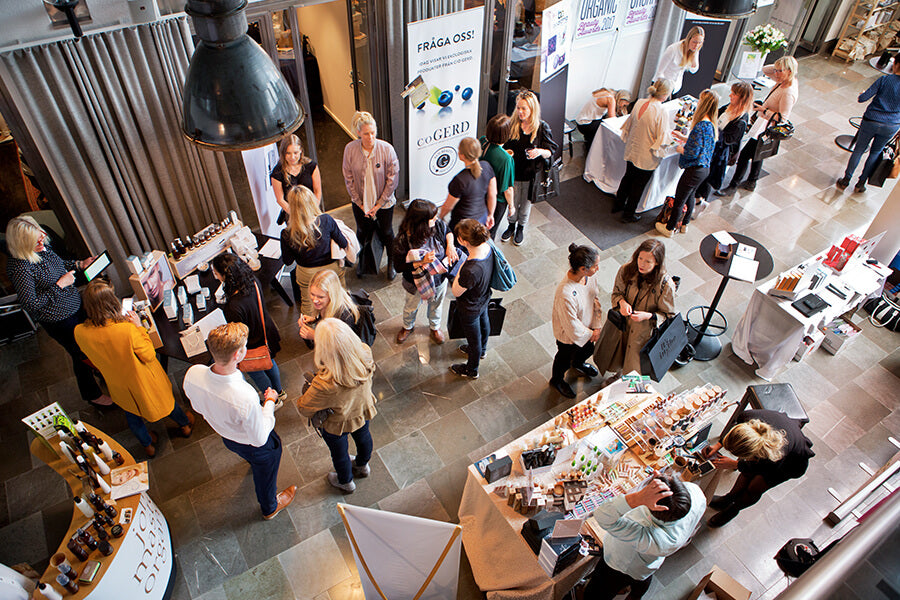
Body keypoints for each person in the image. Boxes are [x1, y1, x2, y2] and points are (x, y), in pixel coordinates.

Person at [183, 323, 297, 520]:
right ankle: (270, 506)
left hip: (228, 437)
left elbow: (198, 408)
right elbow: (260, 438)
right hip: (254, 444)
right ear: (237, 355)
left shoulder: (193, 373)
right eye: (244, 347)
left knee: (251, 458)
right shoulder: (244, 396)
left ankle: (253, 465)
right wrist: (269, 402)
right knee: (267, 466)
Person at [74, 280, 194, 457]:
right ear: (111, 302)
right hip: (142, 380)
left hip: (117, 384)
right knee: (167, 403)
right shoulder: (127, 330)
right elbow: (148, 355)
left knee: (132, 414)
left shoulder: (79, 331)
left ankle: (147, 445)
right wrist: (138, 327)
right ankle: (184, 425)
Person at [5, 215, 112, 409]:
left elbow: (60, 265)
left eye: (40, 236)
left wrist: (80, 264)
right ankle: (92, 395)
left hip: (75, 304)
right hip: (59, 319)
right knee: (80, 354)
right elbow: (30, 304)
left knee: (92, 344)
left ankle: (100, 371)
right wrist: (60, 286)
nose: (41, 242)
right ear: (22, 244)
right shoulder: (21, 267)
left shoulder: (42, 246)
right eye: (35, 241)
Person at [582, 474, 706, 599]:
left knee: (597, 593)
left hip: (622, 565)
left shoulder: (653, 536)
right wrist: (665, 481)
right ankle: (634, 594)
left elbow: (602, 516)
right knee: (641, 579)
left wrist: (637, 498)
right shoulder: (695, 492)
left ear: (652, 507)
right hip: (647, 564)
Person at [296, 318, 377, 494]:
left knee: (340, 453)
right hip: (362, 410)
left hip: (336, 425)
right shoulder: (365, 352)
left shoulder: (324, 382)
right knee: (364, 439)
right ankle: (363, 465)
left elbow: (304, 408)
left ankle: (345, 482)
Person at [703, 409, 814, 527]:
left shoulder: (774, 457)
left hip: (790, 462)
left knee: (755, 486)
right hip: (780, 438)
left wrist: (735, 464)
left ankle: (733, 510)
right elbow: (735, 431)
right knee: (746, 474)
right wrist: (718, 445)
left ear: (752, 454)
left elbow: (757, 468)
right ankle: (728, 499)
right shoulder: (747, 416)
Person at [211, 253, 285, 407]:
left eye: (216, 272)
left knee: (257, 373)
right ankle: (279, 391)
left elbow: (238, 333)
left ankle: (273, 401)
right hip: (266, 332)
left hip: (251, 343)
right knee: (269, 362)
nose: (215, 275)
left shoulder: (233, 306)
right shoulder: (253, 281)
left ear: (225, 275)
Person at [594, 240, 675, 378]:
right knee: (616, 354)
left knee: (634, 367)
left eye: (648, 261)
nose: (642, 264)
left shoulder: (666, 285)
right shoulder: (626, 270)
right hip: (621, 326)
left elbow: (668, 315)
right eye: (640, 258)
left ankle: (624, 384)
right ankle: (618, 376)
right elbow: (616, 293)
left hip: (642, 333)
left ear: (657, 262)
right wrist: (622, 303)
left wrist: (648, 316)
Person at [723, 56, 799, 193]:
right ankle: (752, 180)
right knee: (758, 154)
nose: (775, 74)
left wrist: (763, 110)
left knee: (745, 155)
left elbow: (782, 118)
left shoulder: (788, 92)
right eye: (775, 71)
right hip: (762, 124)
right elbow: (765, 70)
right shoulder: (783, 80)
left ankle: (733, 185)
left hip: (766, 127)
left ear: (789, 71)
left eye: (779, 71)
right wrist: (778, 66)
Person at [341, 110, 400, 280]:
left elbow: (392, 180)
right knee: (362, 231)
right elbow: (348, 178)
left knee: (387, 232)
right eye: (366, 134)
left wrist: (378, 205)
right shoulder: (350, 150)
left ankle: (391, 262)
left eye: (373, 133)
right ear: (358, 132)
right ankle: (363, 261)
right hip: (360, 203)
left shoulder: (387, 149)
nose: (370, 137)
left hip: (384, 203)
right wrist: (359, 203)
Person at [391, 199, 458, 344]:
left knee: (437, 304)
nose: (436, 219)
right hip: (415, 283)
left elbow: (448, 232)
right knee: (411, 306)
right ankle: (407, 326)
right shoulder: (402, 239)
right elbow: (399, 266)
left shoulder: (437, 225)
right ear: (421, 222)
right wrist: (421, 262)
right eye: (432, 218)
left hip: (439, 278)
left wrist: (450, 246)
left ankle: (434, 327)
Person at [655, 88, 718, 237]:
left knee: (680, 199)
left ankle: (669, 229)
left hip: (694, 169)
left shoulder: (700, 126)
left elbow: (693, 152)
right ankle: (685, 224)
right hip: (704, 170)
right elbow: (701, 146)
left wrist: (679, 148)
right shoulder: (711, 125)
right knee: (690, 195)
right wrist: (684, 139)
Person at [279, 185, 349, 317]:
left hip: (306, 273)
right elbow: (343, 243)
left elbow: (288, 262)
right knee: (341, 297)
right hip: (331, 270)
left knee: (308, 306)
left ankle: (311, 332)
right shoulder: (326, 220)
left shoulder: (286, 233)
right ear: (311, 201)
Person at [501, 90, 559, 246]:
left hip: (530, 175)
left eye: (524, 108)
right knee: (512, 202)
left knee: (525, 205)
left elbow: (551, 151)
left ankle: (520, 227)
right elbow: (504, 145)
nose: (520, 112)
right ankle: (511, 226)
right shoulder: (512, 124)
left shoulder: (541, 127)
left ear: (532, 109)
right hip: (513, 173)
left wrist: (539, 151)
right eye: (518, 108)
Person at [614, 79, 674, 223]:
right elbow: (663, 137)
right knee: (638, 185)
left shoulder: (640, 102)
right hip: (646, 154)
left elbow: (630, 124)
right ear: (665, 94)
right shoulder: (661, 111)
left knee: (627, 177)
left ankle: (618, 204)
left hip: (633, 148)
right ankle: (628, 214)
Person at [837, 57, 900, 193]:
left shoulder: (884, 80)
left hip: (871, 120)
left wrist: (863, 94)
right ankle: (861, 183)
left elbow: (862, 99)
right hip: (891, 125)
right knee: (876, 152)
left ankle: (846, 180)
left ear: (896, 64)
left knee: (859, 149)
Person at [549, 244, 603, 399]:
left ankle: (578, 364)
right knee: (563, 359)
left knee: (587, 351)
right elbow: (571, 325)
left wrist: (597, 326)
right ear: (582, 269)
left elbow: (595, 300)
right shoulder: (565, 293)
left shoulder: (589, 277)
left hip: (588, 328)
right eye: (595, 266)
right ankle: (557, 380)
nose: (597, 269)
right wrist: (591, 334)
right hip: (569, 336)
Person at [694, 81, 754, 204]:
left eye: (734, 94)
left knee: (706, 180)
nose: (730, 95)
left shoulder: (741, 120)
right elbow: (717, 114)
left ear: (742, 98)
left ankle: (700, 203)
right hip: (712, 147)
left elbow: (727, 140)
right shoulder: (730, 107)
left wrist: (711, 129)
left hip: (717, 155)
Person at [450, 219, 494, 379]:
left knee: (473, 340)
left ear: (464, 241)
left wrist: (461, 267)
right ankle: (482, 350)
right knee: (485, 324)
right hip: (484, 297)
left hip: (470, 308)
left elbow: (456, 291)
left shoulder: (470, 269)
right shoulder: (488, 247)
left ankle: (471, 369)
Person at [438, 137, 497, 234]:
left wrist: (440, 217)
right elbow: (492, 194)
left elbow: (448, 206)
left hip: (463, 225)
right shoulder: (486, 166)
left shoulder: (459, 180)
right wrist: (490, 214)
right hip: (482, 218)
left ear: (462, 155)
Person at [298, 269, 366, 345]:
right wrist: (314, 319)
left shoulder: (345, 316)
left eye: (320, 297)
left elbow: (343, 345)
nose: (315, 300)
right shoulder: (330, 304)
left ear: (332, 296)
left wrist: (315, 336)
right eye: (312, 294)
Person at [270, 133, 322, 221]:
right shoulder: (277, 172)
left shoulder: (311, 166)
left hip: (312, 211)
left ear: (301, 150)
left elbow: (317, 191)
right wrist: (297, 216)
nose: (292, 157)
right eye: (288, 153)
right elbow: (280, 199)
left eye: (295, 153)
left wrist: (313, 211)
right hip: (291, 214)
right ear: (283, 153)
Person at [479, 115, 516, 239]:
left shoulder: (482, 141)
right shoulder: (506, 159)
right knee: (490, 233)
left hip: (480, 194)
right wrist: (511, 206)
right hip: (496, 201)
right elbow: (508, 189)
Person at [653, 26, 704, 95]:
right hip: (663, 87)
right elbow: (659, 72)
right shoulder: (673, 49)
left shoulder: (695, 50)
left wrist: (694, 56)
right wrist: (663, 89)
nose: (696, 45)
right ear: (689, 39)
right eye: (694, 42)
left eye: (700, 42)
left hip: (676, 87)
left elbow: (693, 70)